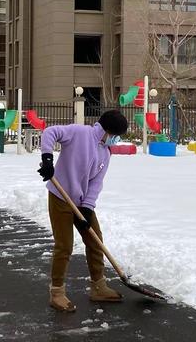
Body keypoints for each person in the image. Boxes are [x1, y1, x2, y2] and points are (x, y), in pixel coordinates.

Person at [37, 110, 128, 312]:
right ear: (107, 131)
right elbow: (50, 132)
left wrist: (87, 207)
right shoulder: (80, 133)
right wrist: (48, 158)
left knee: (95, 240)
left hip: (81, 201)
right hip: (60, 196)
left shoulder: (106, 152)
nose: (116, 140)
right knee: (65, 245)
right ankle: (57, 292)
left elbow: (96, 183)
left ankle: (99, 286)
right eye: (115, 135)